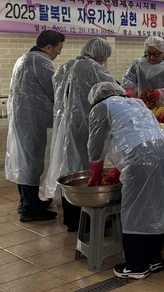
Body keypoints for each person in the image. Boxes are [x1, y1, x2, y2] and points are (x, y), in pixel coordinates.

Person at [87, 82, 164, 280]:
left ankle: (137, 265)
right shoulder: (136, 104)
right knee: (157, 206)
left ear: (95, 100)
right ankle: (153, 256)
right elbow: (133, 140)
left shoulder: (101, 108)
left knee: (136, 211)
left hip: (143, 159)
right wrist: (115, 174)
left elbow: (95, 149)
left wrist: (95, 178)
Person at [46, 38, 116, 231]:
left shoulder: (65, 67)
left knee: (69, 169)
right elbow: (111, 95)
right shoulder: (97, 70)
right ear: (102, 55)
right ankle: (86, 222)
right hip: (87, 127)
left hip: (65, 126)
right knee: (85, 170)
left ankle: (71, 220)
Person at [6, 30, 65, 222]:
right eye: (58, 49)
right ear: (48, 47)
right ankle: (29, 208)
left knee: (26, 161)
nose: (59, 53)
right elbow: (55, 89)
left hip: (24, 119)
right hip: (33, 120)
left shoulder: (24, 59)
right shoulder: (40, 61)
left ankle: (28, 202)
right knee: (32, 162)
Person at [122, 35, 164, 107]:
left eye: (156, 54)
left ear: (163, 52)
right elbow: (128, 80)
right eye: (148, 53)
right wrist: (129, 92)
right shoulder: (138, 64)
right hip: (143, 105)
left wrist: (161, 93)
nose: (152, 57)